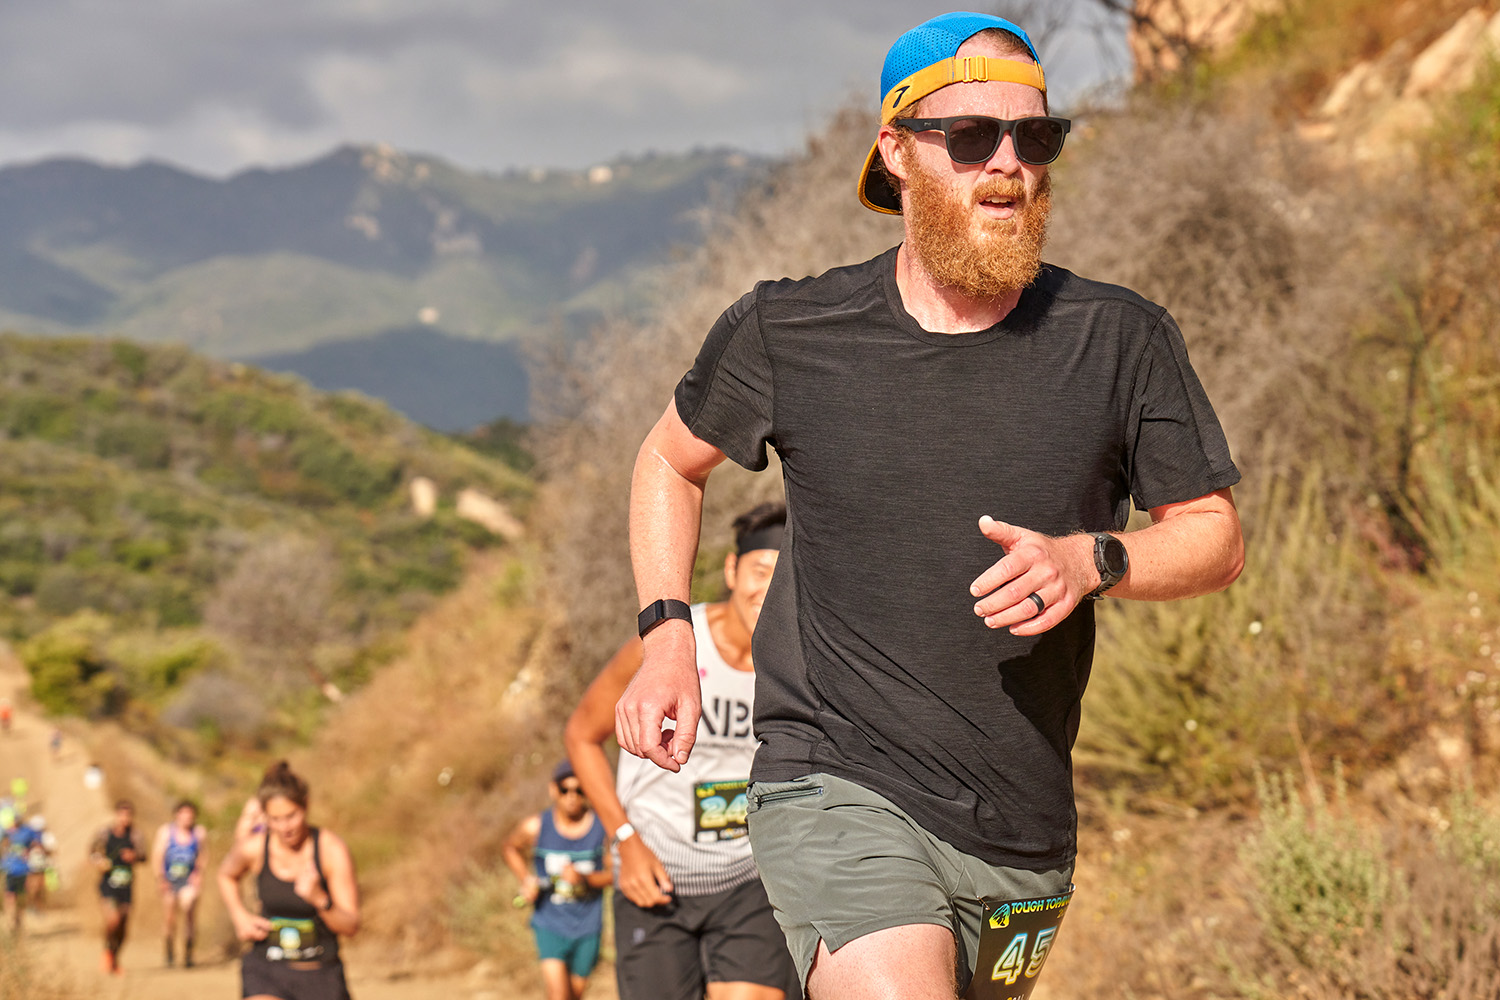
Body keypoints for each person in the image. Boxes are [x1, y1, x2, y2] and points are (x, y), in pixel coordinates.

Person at [613, 12, 1245, 1000]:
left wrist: (1093, 559)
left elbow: (1214, 537)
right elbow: (667, 459)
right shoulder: (792, 329)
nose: (1008, 163)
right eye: (972, 136)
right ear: (896, 152)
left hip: (1022, 826)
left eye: (1035, 136)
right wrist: (666, 640)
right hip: (835, 778)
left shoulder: (1119, 339)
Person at [565, 502, 799, 1000]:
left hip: (747, 876)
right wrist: (625, 841)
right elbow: (581, 736)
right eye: (759, 572)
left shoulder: (797, 663)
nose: (768, 590)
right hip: (656, 874)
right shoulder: (672, 645)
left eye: (783, 577)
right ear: (732, 570)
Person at [218, 760, 359, 1000]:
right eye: (275, 819)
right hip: (267, 970)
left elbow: (351, 925)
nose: (284, 827)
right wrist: (239, 915)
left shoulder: (330, 850)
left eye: (291, 816)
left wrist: (319, 898)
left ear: (306, 806)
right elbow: (225, 875)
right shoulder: (254, 848)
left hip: (321, 974)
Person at [501, 761, 611, 1000]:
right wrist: (526, 879)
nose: (572, 796)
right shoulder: (537, 826)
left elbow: (613, 874)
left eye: (579, 790)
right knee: (558, 994)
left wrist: (584, 878)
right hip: (549, 923)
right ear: (553, 790)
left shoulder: (602, 828)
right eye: (564, 789)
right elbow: (510, 847)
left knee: (575, 995)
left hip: (588, 925)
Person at [91, 799, 145, 973]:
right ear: (116, 815)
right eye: (122, 815)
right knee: (113, 920)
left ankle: (115, 958)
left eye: (128, 815)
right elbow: (92, 851)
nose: (125, 818)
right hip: (108, 884)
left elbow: (144, 855)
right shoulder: (104, 833)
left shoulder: (136, 835)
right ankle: (107, 951)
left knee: (123, 926)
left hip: (126, 886)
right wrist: (99, 862)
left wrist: (134, 856)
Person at [152, 799, 208, 968]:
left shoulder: (199, 833)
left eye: (190, 814)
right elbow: (157, 856)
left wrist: (198, 874)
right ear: (177, 815)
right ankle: (169, 951)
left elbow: (203, 855)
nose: (187, 818)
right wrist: (160, 878)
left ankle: (188, 953)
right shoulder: (166, 832)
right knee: (170, 918)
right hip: (169, 880)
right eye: (184, 814)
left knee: (189, 910)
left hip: (188, 880)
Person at [2, 808, 39, 931]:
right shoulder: (6, 833)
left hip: (23, 869)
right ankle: (12, 919)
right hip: (10, 869)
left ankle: (19, 918)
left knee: (22, 897)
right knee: (10, 896)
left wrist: (30, 851)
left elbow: (37, 843)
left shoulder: (27, 831)